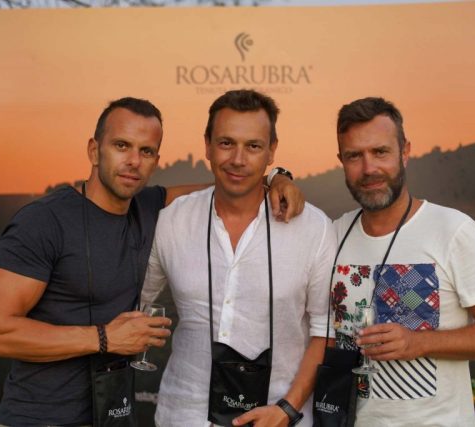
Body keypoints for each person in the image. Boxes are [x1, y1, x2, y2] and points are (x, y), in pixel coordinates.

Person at [0, 96, 304, 426]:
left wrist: (276, 177)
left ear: (156, 160)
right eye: (121, 146)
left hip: (114, 416)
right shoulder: (43, 222)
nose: (133, 161)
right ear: (94, 150)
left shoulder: (148, 207)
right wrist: (104, 338)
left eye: (146, 151)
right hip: (41, 419)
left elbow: (231, 186)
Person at [141, 89, 337, 427]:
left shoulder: (314, 228)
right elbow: (136, 301)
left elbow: (325, 330)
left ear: (272, 151)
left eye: (253, 146)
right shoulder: (172, 221)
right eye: (226, 143)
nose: (238, 159)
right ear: (207, 145)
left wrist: (287, 409)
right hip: (184, 415)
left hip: (278, 419)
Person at [331, 97, 475, 426]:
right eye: (354, 156)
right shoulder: (332, 235)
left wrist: (418, 342)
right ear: (341, 162)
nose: (369, 168)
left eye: (380, 152)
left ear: (405, 152)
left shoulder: (453, 230)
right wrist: (278, 179)